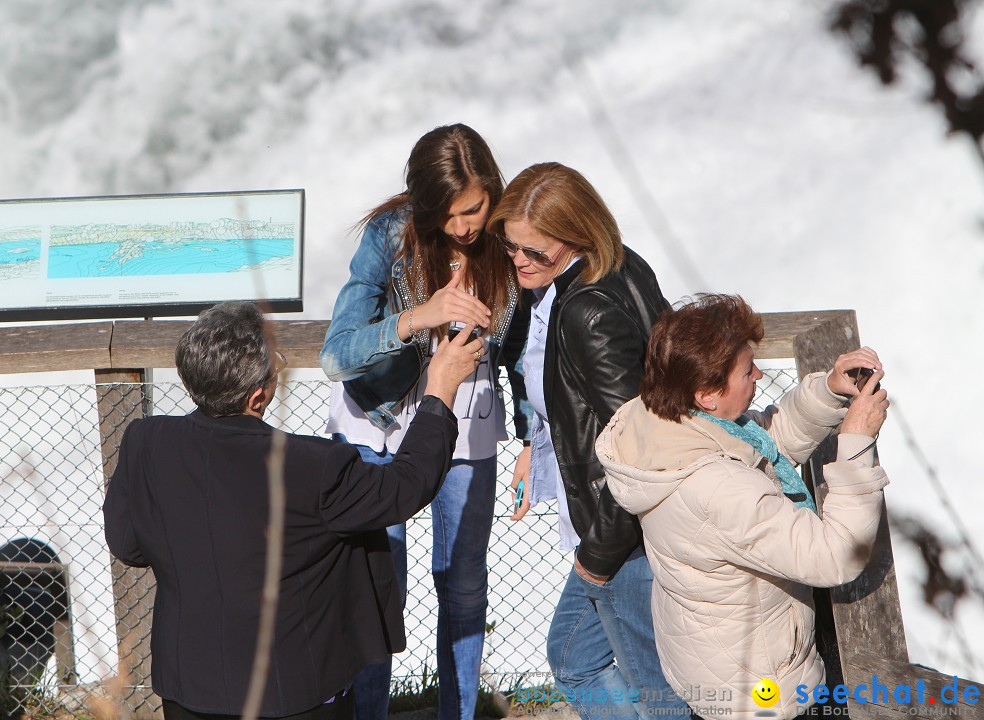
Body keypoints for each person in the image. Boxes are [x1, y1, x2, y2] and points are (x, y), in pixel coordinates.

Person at [103, 301, 484, 720]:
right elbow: (406, 486)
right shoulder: (312, 466)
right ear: (258, 394)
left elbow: (129, 546)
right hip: (297, 692)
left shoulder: (146, 441)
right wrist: (441, 388)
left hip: (187, 687)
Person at [594, 294, 890, 719]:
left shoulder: (667, 423)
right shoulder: (716, 487)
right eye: (747, 369)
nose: (759, 374)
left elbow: (766, 447)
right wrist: (857, 444)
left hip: (722, 670)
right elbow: (835, 556)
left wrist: (827, 392)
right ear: (708, 394)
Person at [319, 124, 529, 720]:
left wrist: (534, 435)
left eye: (476, 207)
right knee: (379, 588)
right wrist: (417, 317)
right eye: (450, 212)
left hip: (469, 419)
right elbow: (336, 355)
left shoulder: (509, 239)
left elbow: (524, 347)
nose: (464, 225)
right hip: (379, 425)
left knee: (462, 585)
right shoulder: (392, 235)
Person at [487, 162, 692, 720]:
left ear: (576, 234)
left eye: (536, 252)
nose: (521, 263)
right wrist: (537, 441)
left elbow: (641, 445)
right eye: (512, 249)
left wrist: (599, 555)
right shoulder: (622, 266)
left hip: (626, 534)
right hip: (631, 528)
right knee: (574, 654)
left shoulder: (584, 310)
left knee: (658, 694)